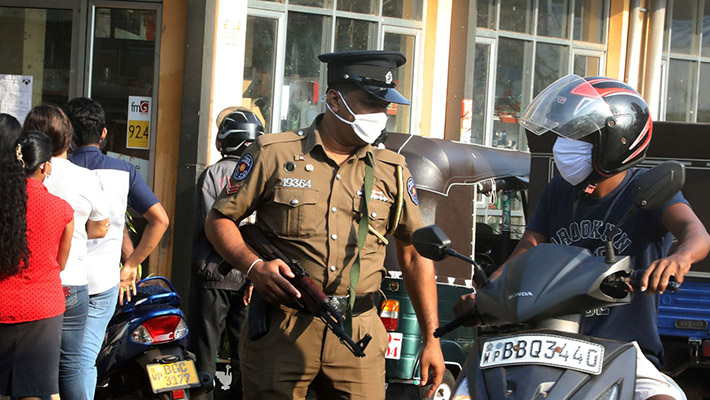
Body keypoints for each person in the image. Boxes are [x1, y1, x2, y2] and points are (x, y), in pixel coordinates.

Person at [205, 50, 445, 400]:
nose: (379, 116)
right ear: (333, 99)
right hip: (282, 328)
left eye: (384, 107)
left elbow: (413, 254)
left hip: (358, 329)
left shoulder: (391, 170)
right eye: (368, 104)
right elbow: (220, 219)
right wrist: (254, 267)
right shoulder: (275, 154)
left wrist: (431, 339)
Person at [454, 75, 710, 400]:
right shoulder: (559, 189)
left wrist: (679, 258)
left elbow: (696, 234)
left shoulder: (643, 189)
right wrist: (488, 293)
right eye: (566, 134)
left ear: (617, 142)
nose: (564, 144)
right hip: (547, 345)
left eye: (580, 136)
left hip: (623, 351)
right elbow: (527, 249)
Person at [64, 97, 170, 399]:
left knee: (67, 360)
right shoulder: (124, 172)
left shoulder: (57, 170)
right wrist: (132, 264)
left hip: (63, 281)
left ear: (68, 135)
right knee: (83, 358)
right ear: (104, 134)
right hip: (103, 283)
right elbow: (159, 220)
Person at [23, 103, 110, 400]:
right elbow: (101, 226)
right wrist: (73, 233)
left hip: (32, 285)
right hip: (73, 282)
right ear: (66, 137)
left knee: (32, 372)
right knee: (71, 368)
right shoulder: (84, 177)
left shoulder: (21, 177)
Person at [190, 106, 264, 400]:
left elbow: (211, 224)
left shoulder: (213, 174)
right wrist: (253, 275)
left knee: (204, 356)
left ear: (226, 141)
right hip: (250, 277)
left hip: (211, 277)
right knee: (245, 355)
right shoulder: (262, 174)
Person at [0, 131, 74, 400]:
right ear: (45, 166)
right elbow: (60, 263)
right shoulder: (62, 210)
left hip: (2, 306)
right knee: (34, 391)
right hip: (44, 310)